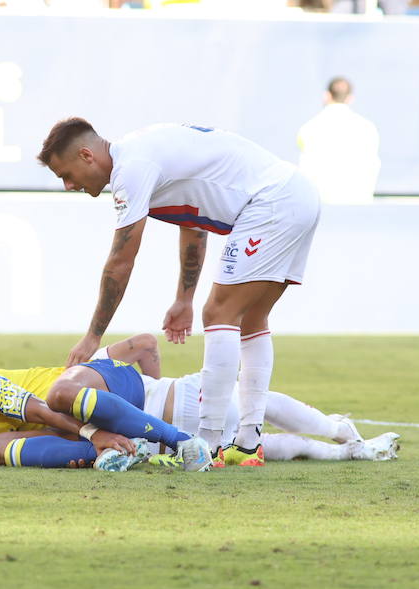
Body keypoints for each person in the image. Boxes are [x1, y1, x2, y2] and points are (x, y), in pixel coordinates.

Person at [37, 118, 321, 468]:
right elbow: (194, 223)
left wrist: (92, 338)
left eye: (66, 174)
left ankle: (210, 443)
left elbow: (121, 261)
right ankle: (247, 443)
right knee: (251, 319)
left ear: (86, 155)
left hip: (271, 202)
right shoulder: (141, 154)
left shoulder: (131, 170)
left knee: (219, 315)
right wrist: (184, 299)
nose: (68, 186)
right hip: (295, 195)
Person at [0, 334, 399, 468]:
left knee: (244, 407)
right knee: (247, 445)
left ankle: (339, 430)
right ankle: (344, 449)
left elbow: (45, 411)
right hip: (115, 413)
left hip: (101, 393)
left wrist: (93, 435)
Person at [0, 335, 213, 471]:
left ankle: (181, 442)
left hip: (95, 385)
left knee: (58, 400)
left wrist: (92, 436)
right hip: (91, 419)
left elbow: (43, 410)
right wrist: (77, 451)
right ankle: (119, 454)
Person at [296, 76, 380, 205]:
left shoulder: (308, 128)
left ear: (326, 95)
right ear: (350, 98)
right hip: (358, 202)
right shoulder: (368, 128)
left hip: (321, 204)